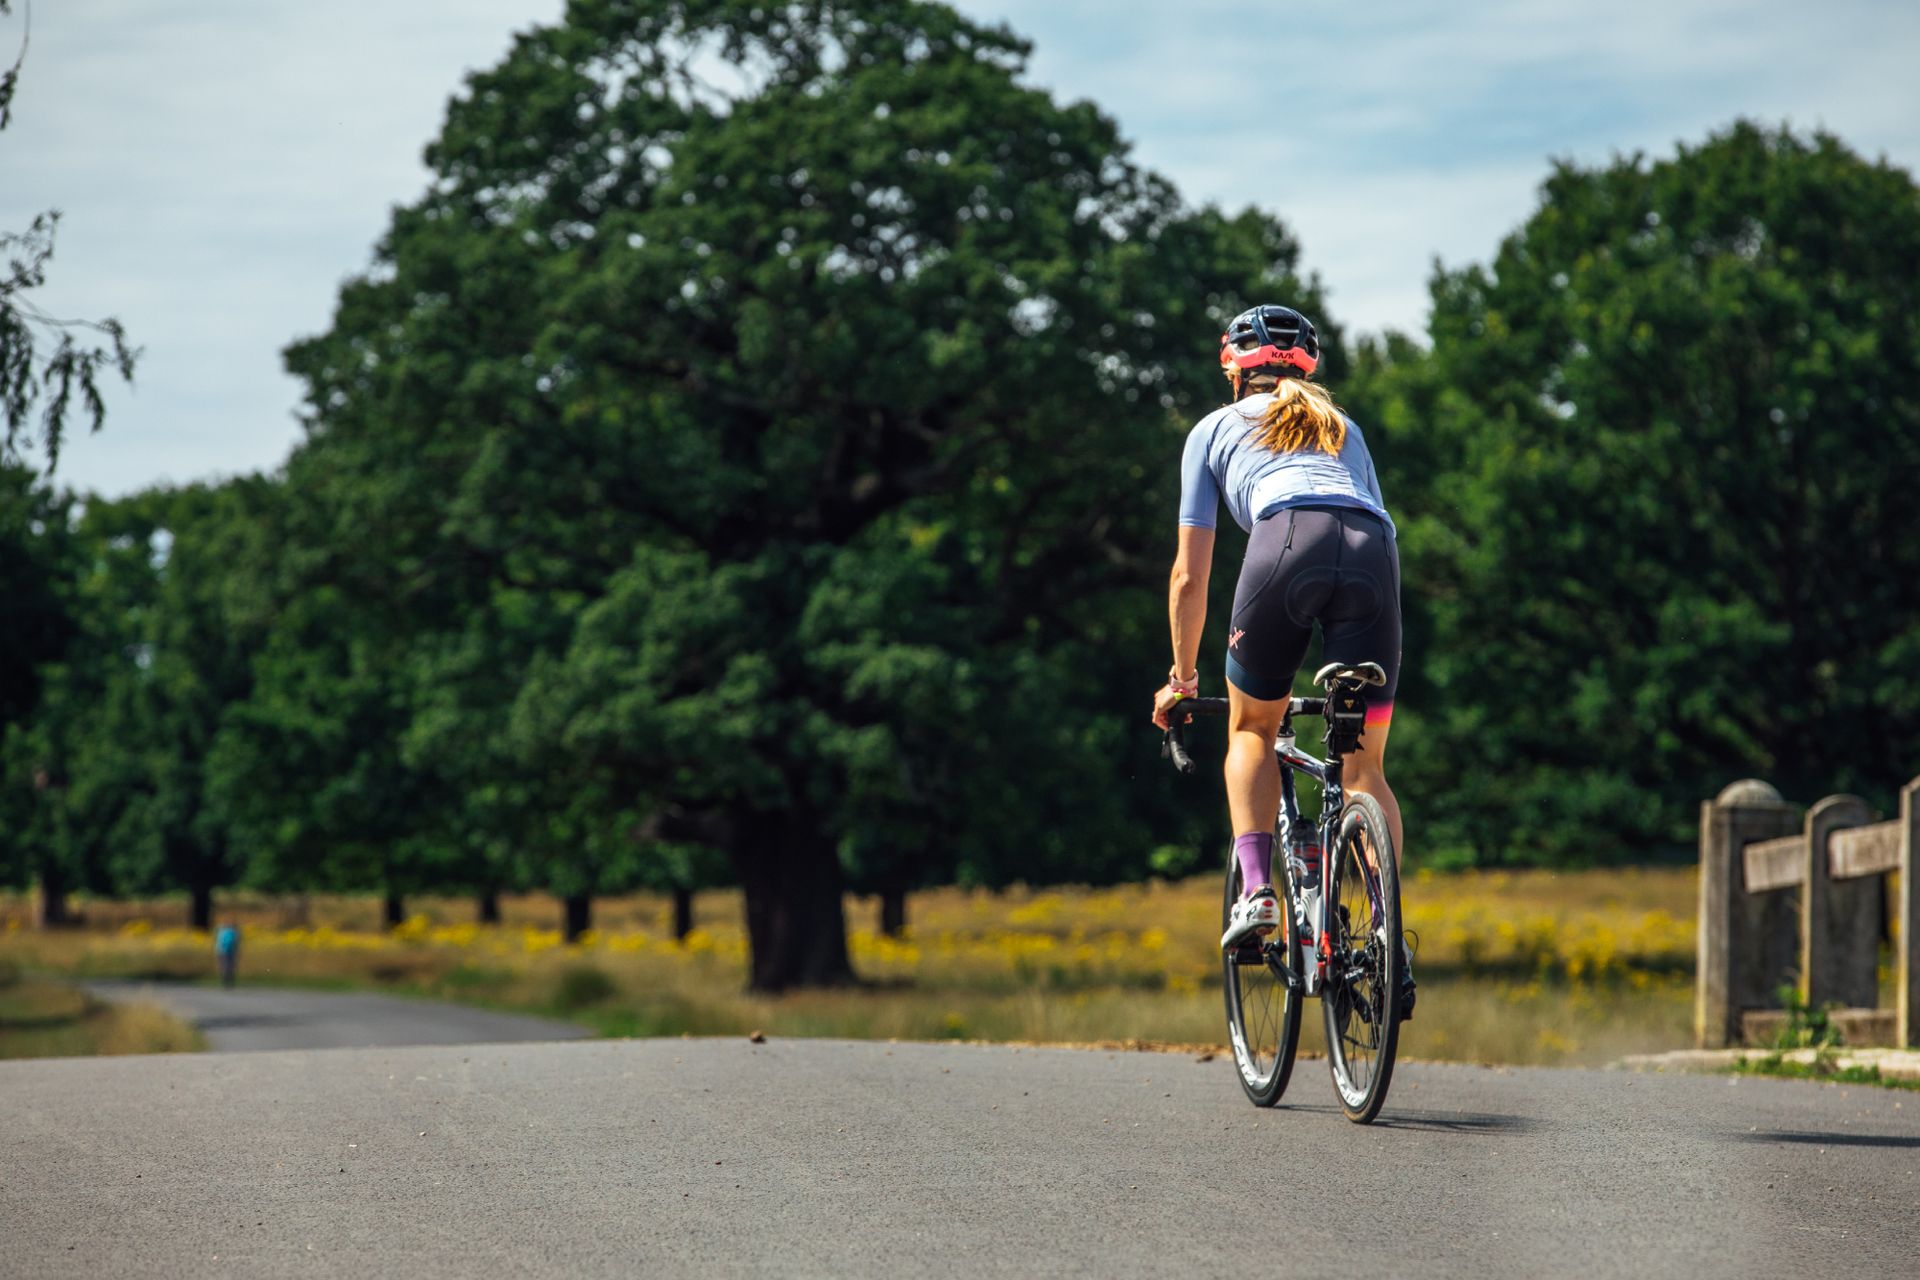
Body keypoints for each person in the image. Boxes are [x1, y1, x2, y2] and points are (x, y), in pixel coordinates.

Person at [1150, 304, 1413, 1016]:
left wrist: (1181, 680)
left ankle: (1260, 890)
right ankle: (1387, 933)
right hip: (1371, 559)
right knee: (1364, 769)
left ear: (1231, 365)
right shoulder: (1344, 428)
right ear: (1309, 365)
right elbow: (1371, 518)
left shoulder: (1211, 429)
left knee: (1250, 731)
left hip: (1284, 543)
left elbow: (1188, 576)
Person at [215, 920, 240, 989]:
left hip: (221, 951)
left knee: (224, 967)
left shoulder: (222, 931)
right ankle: (228, 981)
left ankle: (225, 981)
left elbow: (218, 941)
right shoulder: (233, 932)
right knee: (229, 967)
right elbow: (236, 943)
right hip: (228, 951)